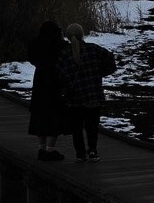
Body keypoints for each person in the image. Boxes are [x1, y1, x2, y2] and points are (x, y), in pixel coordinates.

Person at [55, 23, 116, 163]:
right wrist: (100, 74)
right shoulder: (93, 49)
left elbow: (59, 74)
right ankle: (93, 151)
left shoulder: (64, 54)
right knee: (92, 125)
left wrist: (67, 86)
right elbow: (111, 60)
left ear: (68, 37)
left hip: (75, 96)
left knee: (76, 127)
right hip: (93, 93)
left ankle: (80, 154)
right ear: (82, 35)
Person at [27, 21, 69, 161]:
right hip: (55, 81)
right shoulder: (60, 45)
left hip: (40, 81)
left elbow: (32, 58)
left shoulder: (36, 44)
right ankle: (50, 150)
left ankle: (41, 148)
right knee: (54, 115)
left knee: (40, 114)